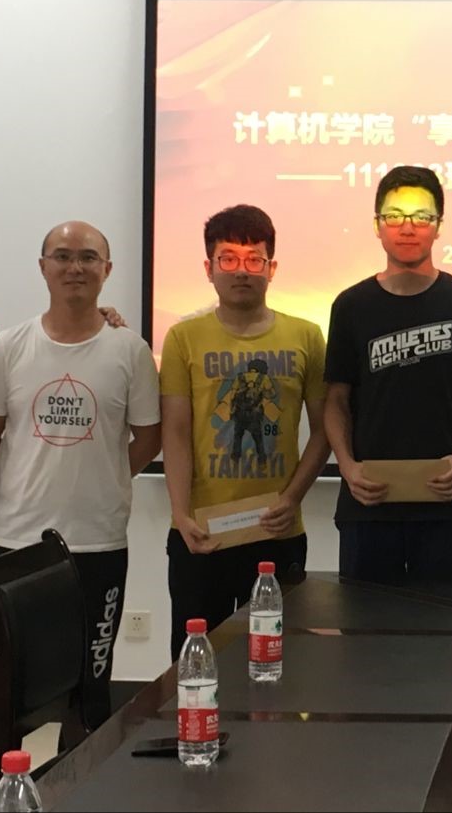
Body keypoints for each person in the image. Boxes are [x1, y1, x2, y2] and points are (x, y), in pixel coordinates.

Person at [0, 221, 161, 809]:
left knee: (90, 684)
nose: (76, 267)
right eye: (63, 256)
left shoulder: (130, 351)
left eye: (89, 257)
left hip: (98, 545)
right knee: (1, 685)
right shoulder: (7, 348)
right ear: (43, 266)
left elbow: (147, 439)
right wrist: (31, 481)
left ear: (107, 269)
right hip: (12, 544)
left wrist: (100, 479)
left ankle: (83, 795)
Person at [160, 204, 329, 657]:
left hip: (278, 531)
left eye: (254, 259)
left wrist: (292, 498)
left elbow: (325, 430)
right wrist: (180, 513)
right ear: (209, 268)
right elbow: (175, 432)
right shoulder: (183, 338)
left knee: (277, 661)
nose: (241, 270)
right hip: (201, 533)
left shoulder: (307, 337)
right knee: (197, 659)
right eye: (228, 258)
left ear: (271, 269)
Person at [324, 165, 452, 583]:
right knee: (363, 619)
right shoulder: (350, 305)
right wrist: (347, 466)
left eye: (422, 216)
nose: (408, 227)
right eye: (395, 216)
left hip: (446, 502)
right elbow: (335, 401)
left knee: (449, 621)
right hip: (368, 503)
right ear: (377, 225)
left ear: (439, 225)